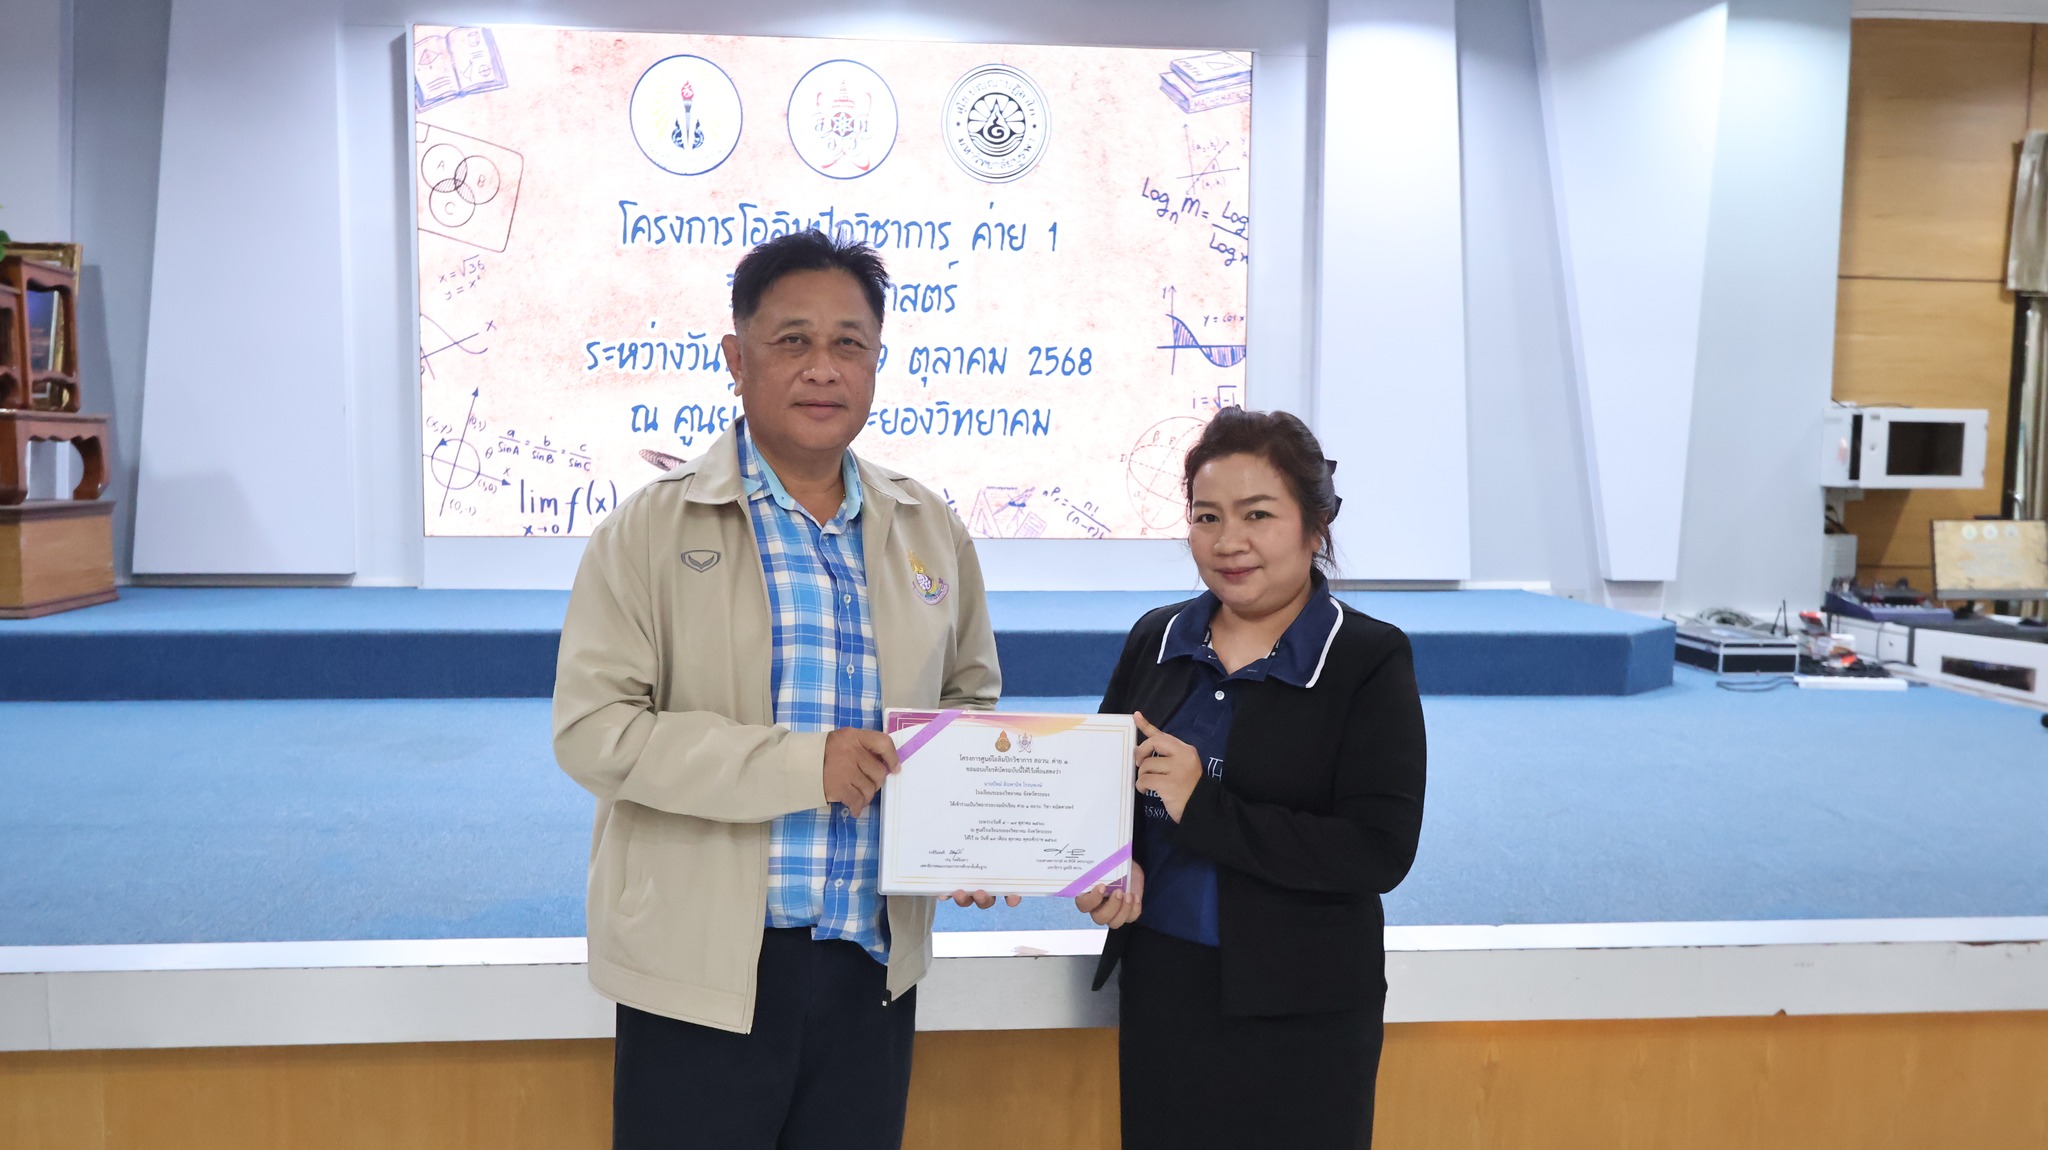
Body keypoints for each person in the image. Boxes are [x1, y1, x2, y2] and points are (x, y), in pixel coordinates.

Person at [553, 230, 1010, 1150]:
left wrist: (969, 828)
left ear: (877, 362)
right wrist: (806, 766)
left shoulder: (928, 526)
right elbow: (595, 731)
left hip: (869, 966)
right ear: (736, 358)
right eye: (792, 340)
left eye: (849, 343)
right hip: (703, 973)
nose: (822, 368)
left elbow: (968, 703)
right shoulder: (648, 530)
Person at [1074, 407, 1427, 1150]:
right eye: (1207, 516)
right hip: (1164, 992)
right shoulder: (1157, 638)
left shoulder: (1366, 658)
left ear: (1315, 526)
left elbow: (1378, 851)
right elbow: (1100, 790)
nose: (1227, 541)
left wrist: (1203, 807)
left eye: (1257, 514)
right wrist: (1109, 862)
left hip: (1304, 1012)